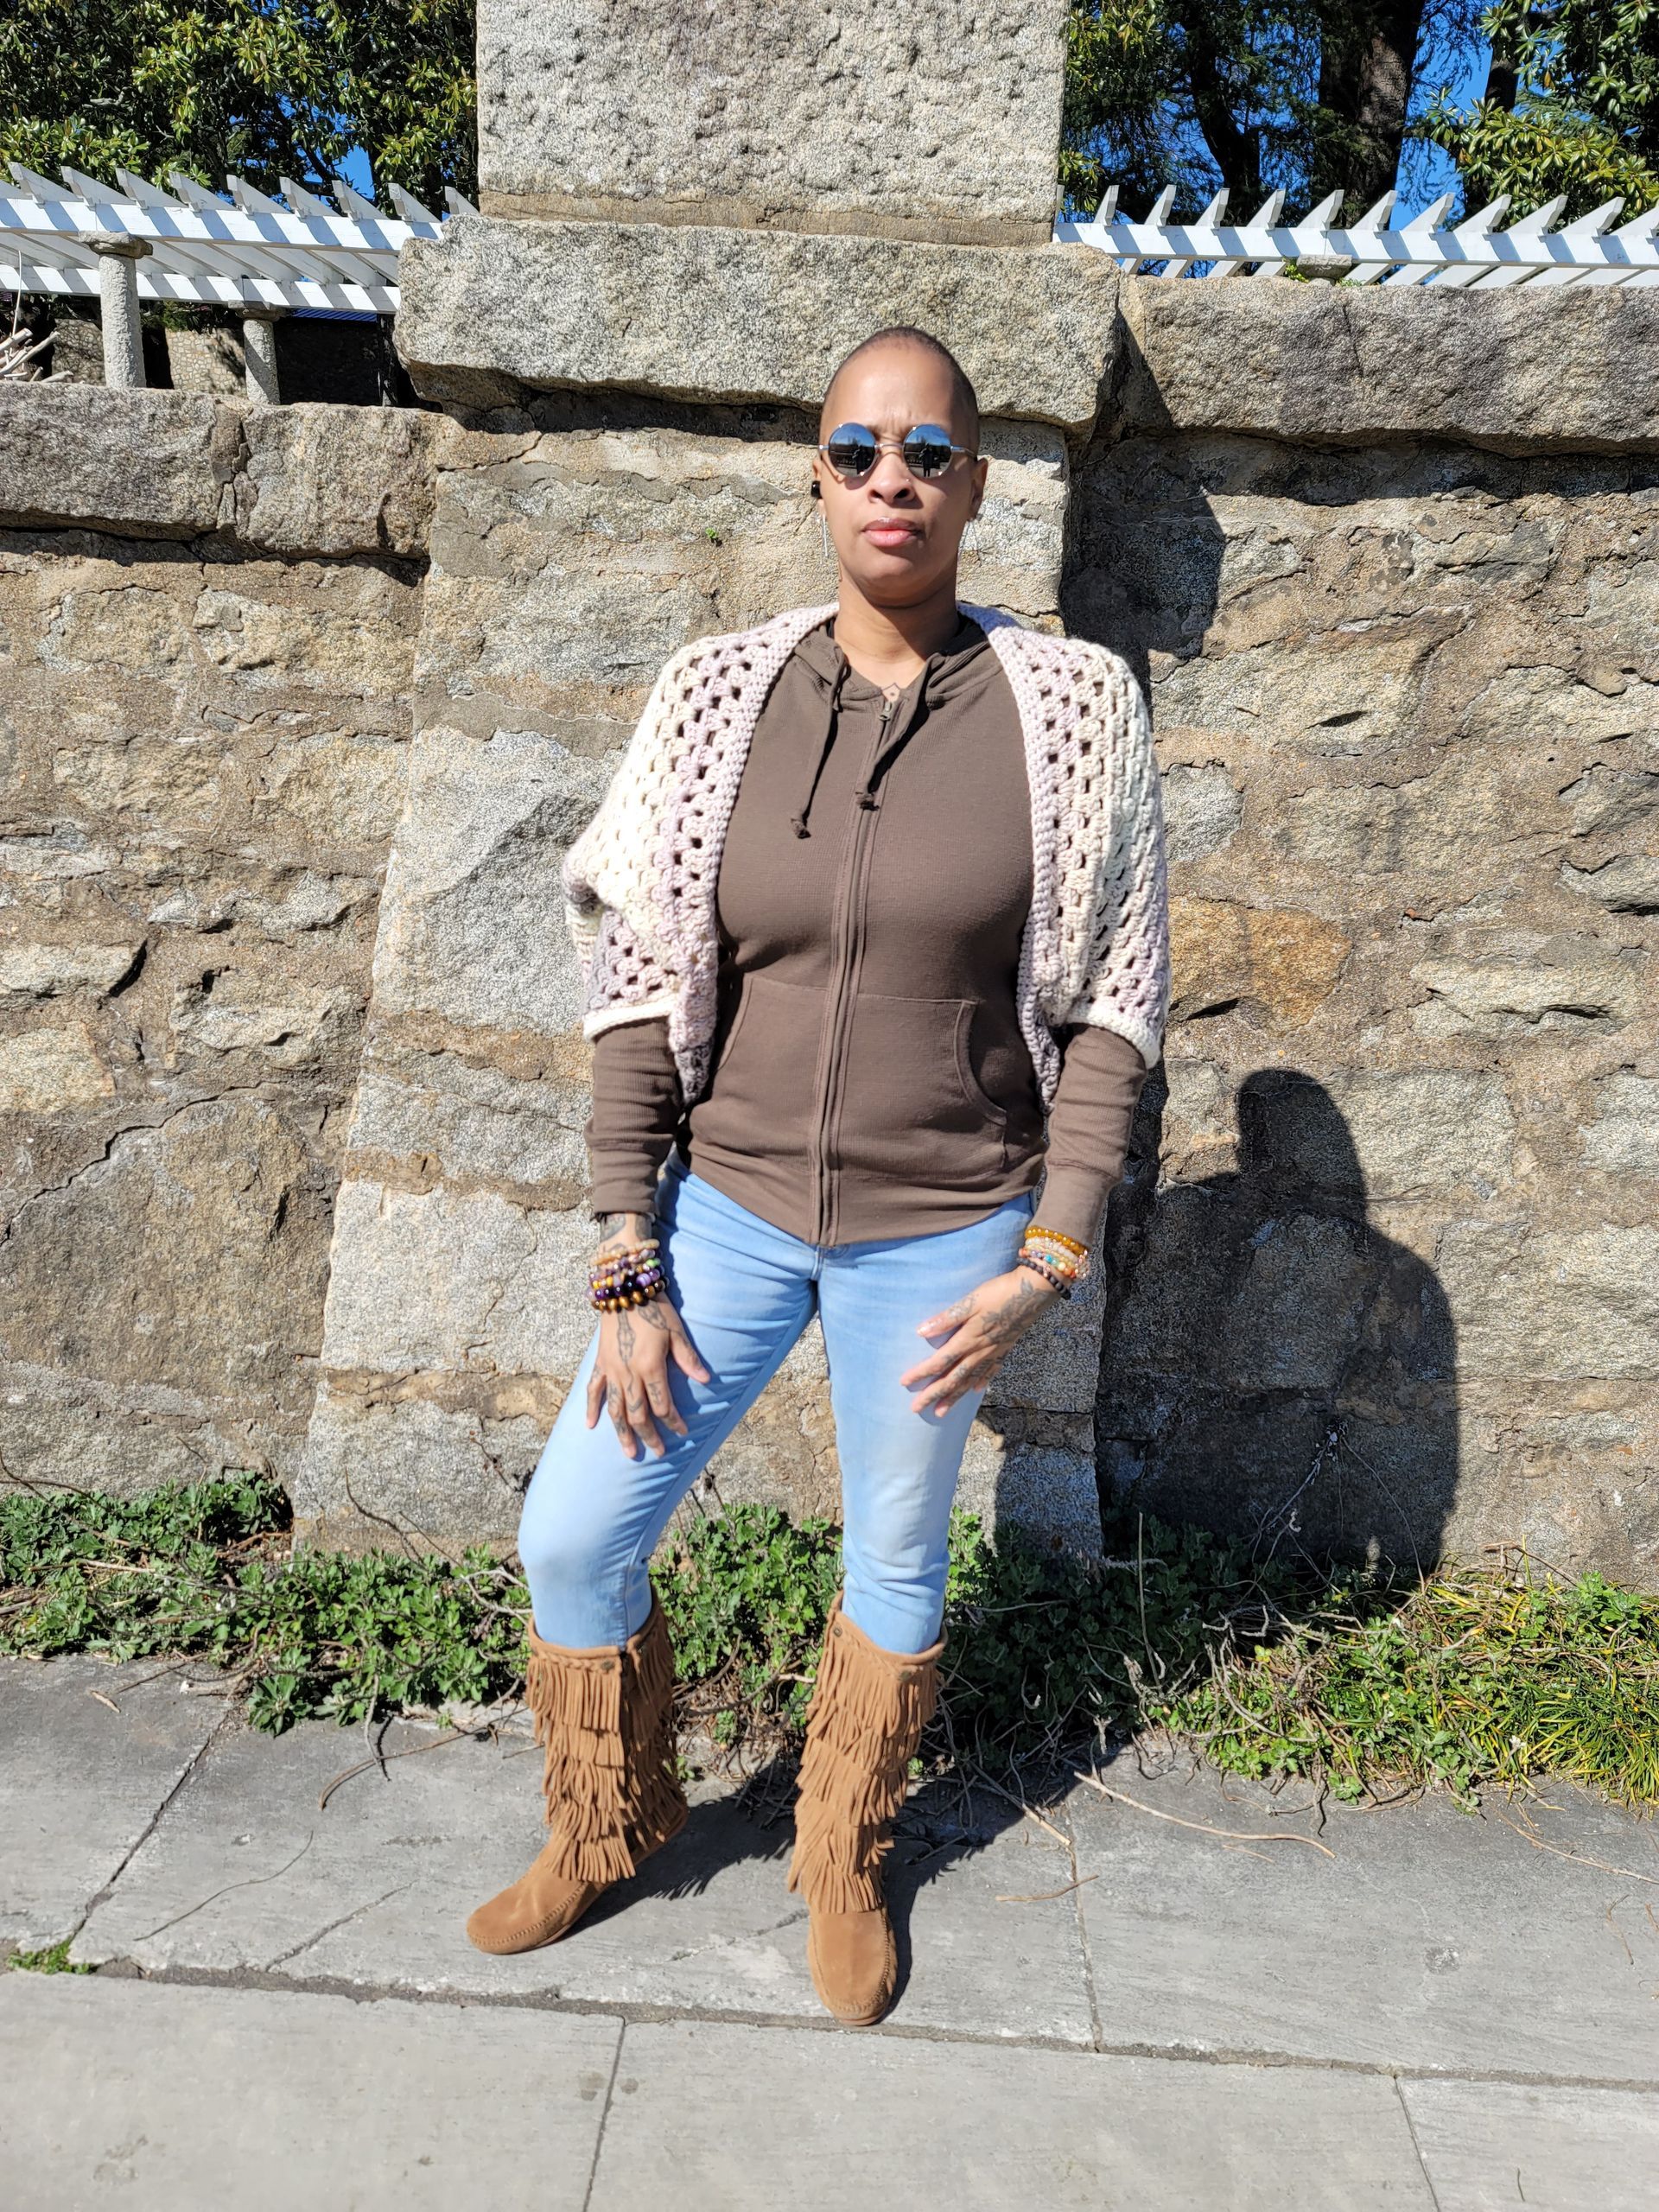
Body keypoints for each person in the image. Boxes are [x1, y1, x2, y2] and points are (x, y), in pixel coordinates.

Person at [464, 324, 1171, 2028]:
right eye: (861, 449)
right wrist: (627, 1250)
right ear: (817, 473)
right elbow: (635, 980)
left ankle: (843, 1850)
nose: (893, 482)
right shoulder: (718, 691)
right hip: (723, 1215)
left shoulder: (1075, 706)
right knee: (573, 1529)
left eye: (929, 452)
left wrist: (1050, 1250)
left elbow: (1116, 1007)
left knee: (900, 1555)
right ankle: (606, 1818)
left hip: (947, 1229)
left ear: (979, 484)